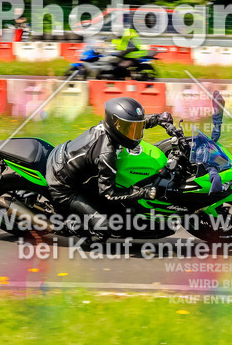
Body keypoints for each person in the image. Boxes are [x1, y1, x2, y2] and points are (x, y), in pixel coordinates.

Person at [45, 97, 173, 240]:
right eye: (131, 130)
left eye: (136, 129)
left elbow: (133, 124)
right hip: (63, 186)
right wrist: (142, 192)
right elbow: (109, 194)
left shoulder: (110, 128)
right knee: (105, 228)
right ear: (115, 124)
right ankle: (68, 224)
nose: (134, 134)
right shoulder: (106, 153)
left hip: (66, 162)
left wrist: (159, 119)